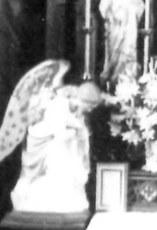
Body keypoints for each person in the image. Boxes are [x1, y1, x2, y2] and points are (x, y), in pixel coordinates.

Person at [10, 81, 102, 214]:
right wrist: (76, 131)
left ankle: (66, 192)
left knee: (69, 152)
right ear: (81, 100)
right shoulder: (59, 105)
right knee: (48, 165)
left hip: (57, 142)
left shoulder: (74, 108)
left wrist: (79, 132)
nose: (89, 111)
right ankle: (29, 194)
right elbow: (61, 132)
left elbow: (78, 128)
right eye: (89, 107)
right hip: (41, 142)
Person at [99, 0, 145, 84]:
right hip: (115, 25)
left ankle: (126, 76)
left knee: (127, 50)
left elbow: (140, 6)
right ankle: (113, 76)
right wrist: (112, 15)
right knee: (114, 51)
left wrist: (130, 11)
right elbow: (103, 7)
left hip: (129, 26)